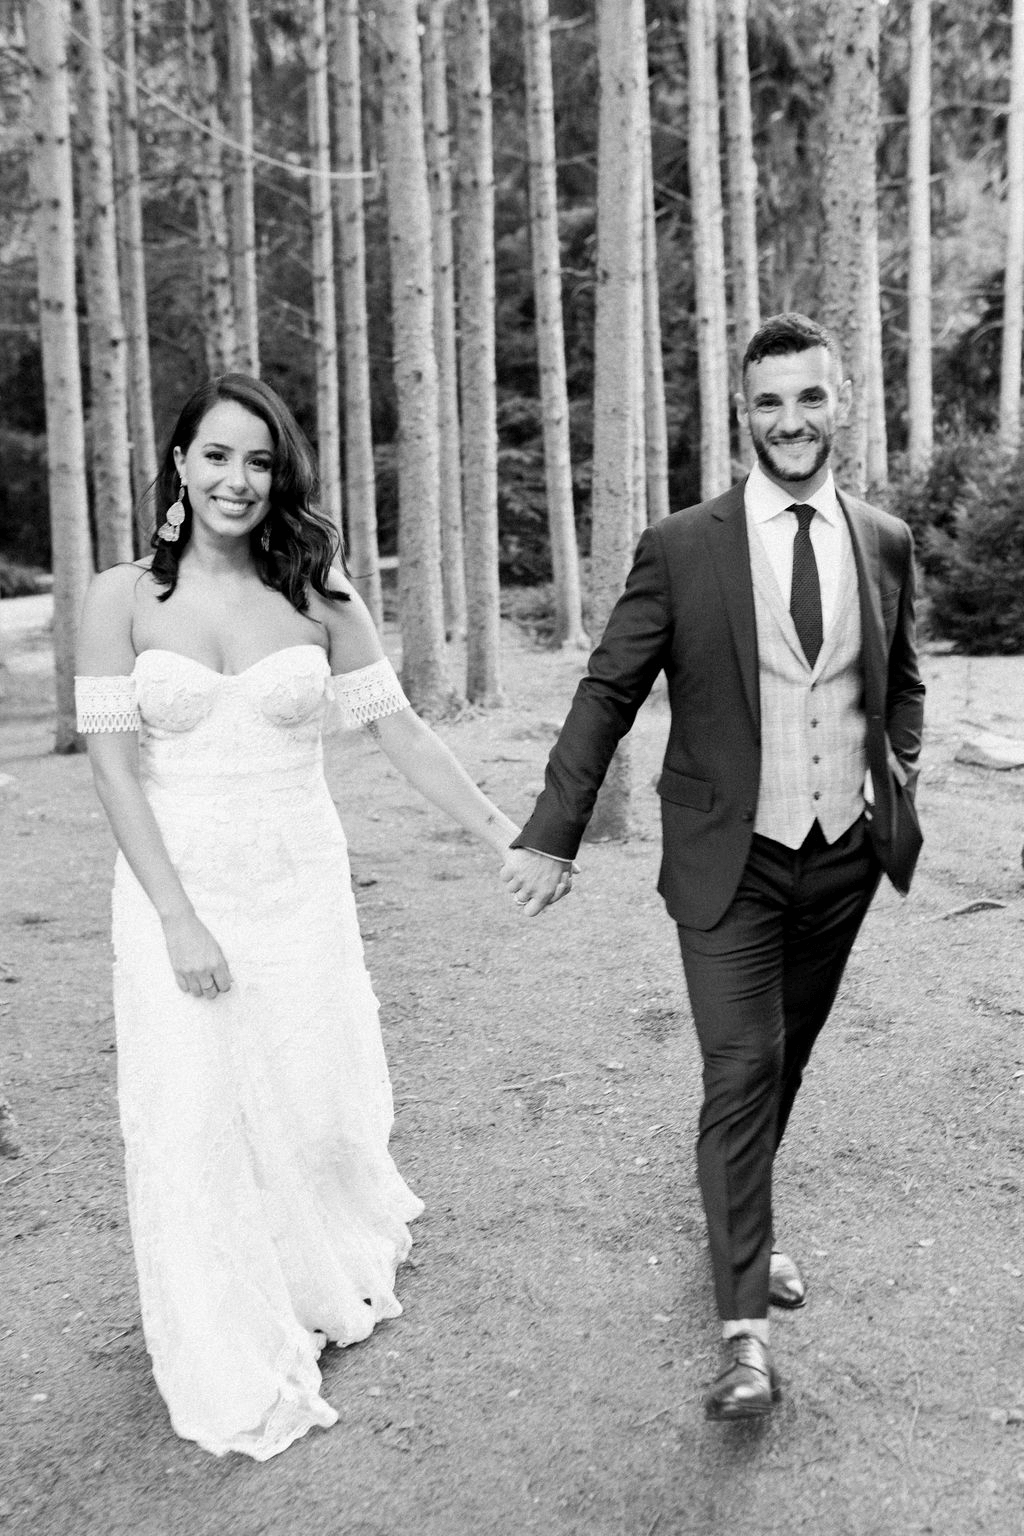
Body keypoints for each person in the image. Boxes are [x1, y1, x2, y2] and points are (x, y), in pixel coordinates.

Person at [75, 374, 542, 1460]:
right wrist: (179, 919)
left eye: (260, 461)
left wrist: (502, 832)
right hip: (174, 888)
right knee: (191, 1116)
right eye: (218, 456)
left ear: (280, 475)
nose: (238, 480)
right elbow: (112, 775)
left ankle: (305, 1272)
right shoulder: (120, 599)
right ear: (180, 465)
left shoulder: (319, 595)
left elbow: (404, 734)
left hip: (298, 887)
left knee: (307, 1098)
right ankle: (221, 1332)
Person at [500, 313, 924, 1419]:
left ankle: (740, 1229)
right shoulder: (684, 545)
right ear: (743, 412)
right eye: (769, 401)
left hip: (840, 865)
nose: (791, 420)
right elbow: (608, 689)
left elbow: (904, 682)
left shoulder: (882, 539)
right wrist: (552, 829)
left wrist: (896, 773)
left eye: (809, 398)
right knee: (740, 1069)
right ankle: (744, 1338)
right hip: (725, 862)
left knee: (779, 1068)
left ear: (841, 403)